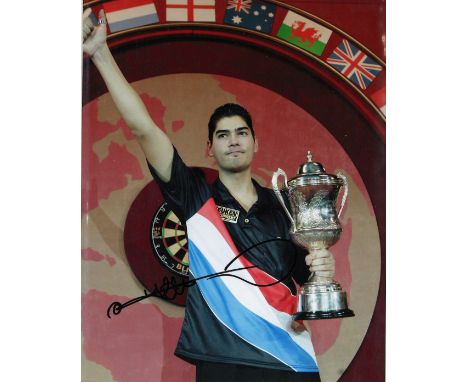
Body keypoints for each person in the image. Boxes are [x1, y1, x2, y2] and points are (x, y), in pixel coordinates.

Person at [83, 8, 335, 382]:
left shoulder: (284, 205)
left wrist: (321, 270)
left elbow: (303, 275)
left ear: (254, 142)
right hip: (222, 359)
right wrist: (101, 54)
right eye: (222, 135)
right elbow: (144, 130)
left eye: (241, 132)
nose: (233, 141)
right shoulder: (194, 196)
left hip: (289, 357)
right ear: (210, 148)